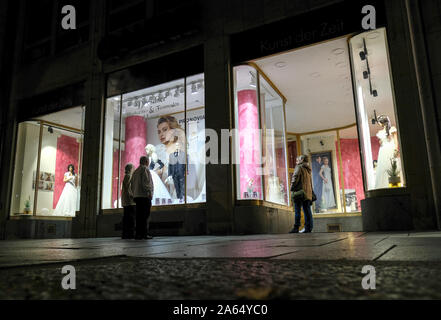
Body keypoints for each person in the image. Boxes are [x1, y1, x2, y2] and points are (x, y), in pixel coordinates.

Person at [131, 156, 154, 240]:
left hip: (137, 196)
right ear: (146, 161)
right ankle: (144, 234)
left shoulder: (135, 171)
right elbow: (146, 182)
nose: (148, 163)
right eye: (148, 161)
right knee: (144, 216)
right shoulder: (144, 169)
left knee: (139, 216)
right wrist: (149, 193)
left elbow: (132, 184)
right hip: (144, 196)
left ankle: (138, 234)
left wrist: (134, 194)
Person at [289, 155, 314, 233]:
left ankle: (296, 227)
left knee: (297, 210)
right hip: (307, 193)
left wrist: (291, 188)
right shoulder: (308, 169)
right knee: (307, 211)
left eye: (298, 159)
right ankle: (308, 228)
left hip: (299, 192)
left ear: (302, 160)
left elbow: (295, 178)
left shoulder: (299, 167)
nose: (297, 161)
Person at [121, 163, 136, 239]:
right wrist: (133, 196)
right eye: (133, 168)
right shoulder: (128, 176)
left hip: (126, 201)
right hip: (129, 202)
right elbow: (128, 188)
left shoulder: (126, 176)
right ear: (130, 169)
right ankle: (129, 234)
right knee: (130, 218)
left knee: (127, 218)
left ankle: (126, 234)